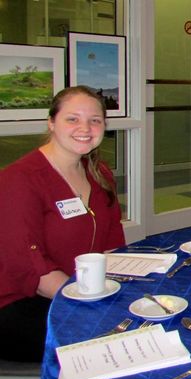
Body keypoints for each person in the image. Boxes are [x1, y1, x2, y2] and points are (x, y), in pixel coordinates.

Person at [0, 86, 126, 362]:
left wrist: (122, 290)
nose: (85, 127)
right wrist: (93, 303)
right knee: (113, 344)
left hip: (82, 291)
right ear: (51, 123)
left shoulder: (99, 173)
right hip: (22, 303)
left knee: (144, 319)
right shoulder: (20, 180)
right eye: (73, 119)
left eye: (95, 120)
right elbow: (34, 271)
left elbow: (112, 241)